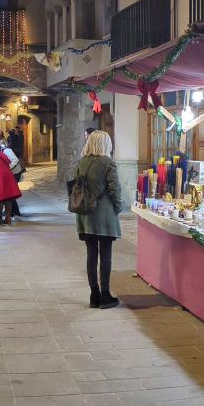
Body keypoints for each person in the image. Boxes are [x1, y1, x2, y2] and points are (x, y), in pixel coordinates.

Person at [74, 130, 123, 309]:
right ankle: (105, 294)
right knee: (106, 255)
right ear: (105, 144)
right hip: (104, 217)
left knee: (91, 255)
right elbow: (114, 189)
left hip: (85, 216)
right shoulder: (107, 163)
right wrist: (118, 207)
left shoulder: (81, 162)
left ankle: (93, 295)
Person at [0, 138, 25, 218]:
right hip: (12, 172)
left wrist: (7, 168)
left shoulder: (6, 151)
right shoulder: (3, 151)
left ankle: (14, 212)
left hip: (15, 173)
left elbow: (15, 160)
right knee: (10, 192)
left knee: (11, 192)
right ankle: (14, 212)